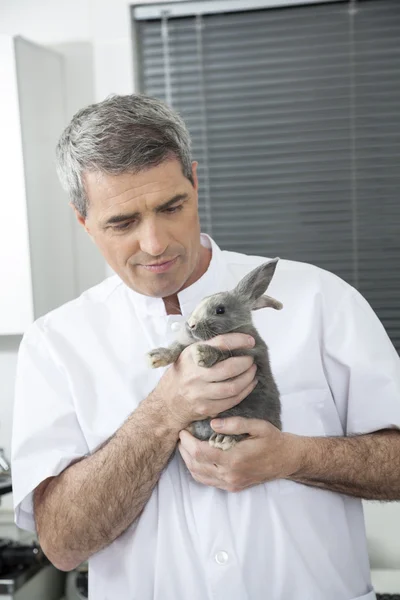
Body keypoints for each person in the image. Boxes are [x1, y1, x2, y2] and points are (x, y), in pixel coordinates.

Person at [11, 94, 400, 600]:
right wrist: (162, 412)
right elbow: (62, 544)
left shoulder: (321, 299)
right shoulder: (55, 345)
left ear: (194, 181)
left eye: (171, 207)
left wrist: (294, 457)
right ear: (83, 221)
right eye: (123, 223)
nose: (155, 243)